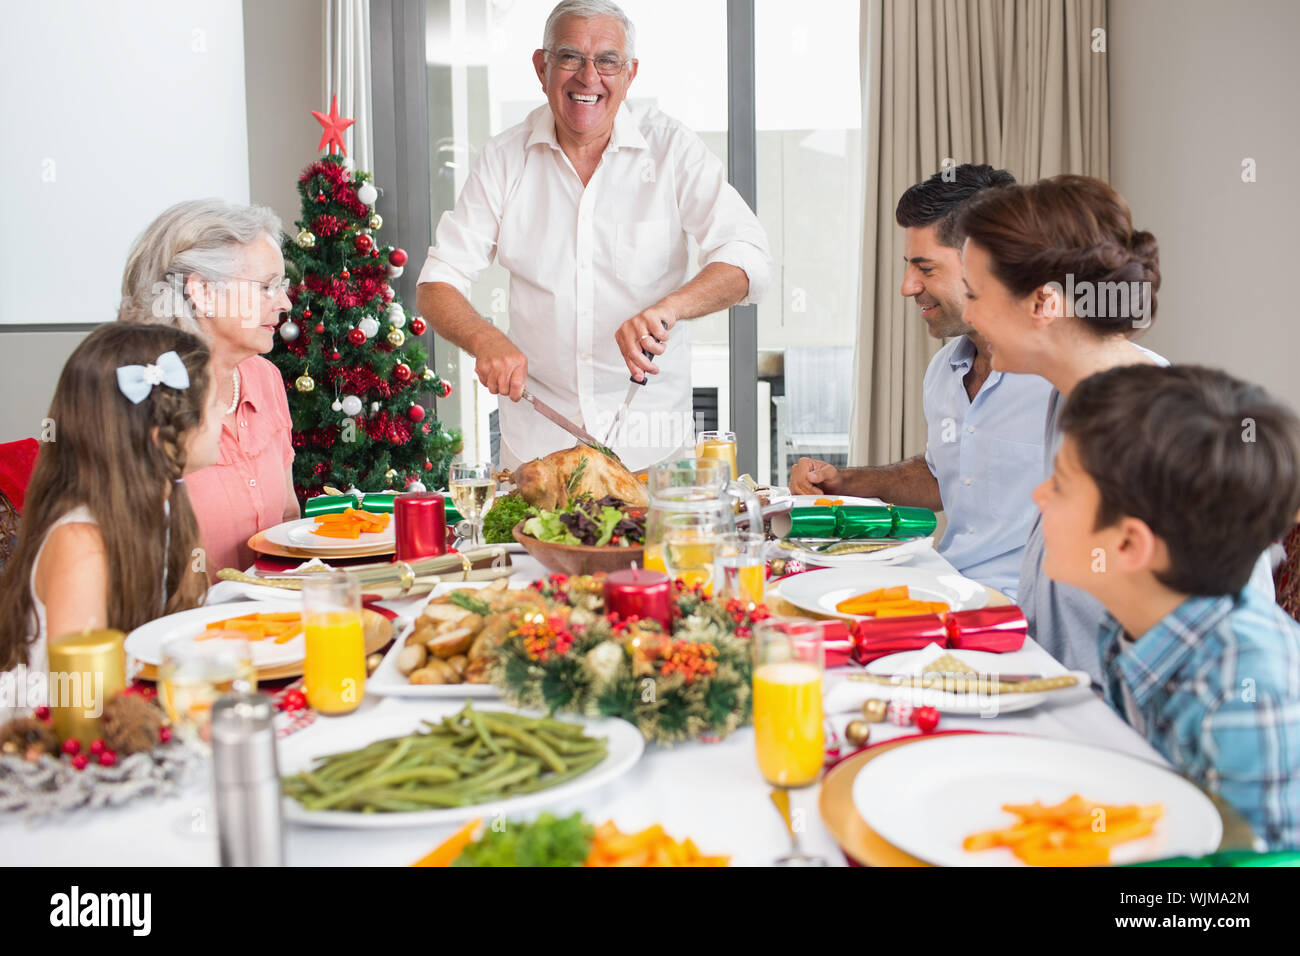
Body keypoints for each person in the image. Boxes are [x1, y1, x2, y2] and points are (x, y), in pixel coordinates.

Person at [416, 0, 771, 471]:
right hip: (539, 452)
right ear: (542, 67)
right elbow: (438, 281)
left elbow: (749, 259)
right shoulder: (504, 158)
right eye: (570, 57)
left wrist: (670, 309)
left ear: (630, 74)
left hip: (654, 453)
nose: (588, 77)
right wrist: (485, 338)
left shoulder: (672, 150)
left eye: (607, 61)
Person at [1039, 364, 1300, 849]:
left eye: (1061, 485)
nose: (1040, 496)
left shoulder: (1244, 693)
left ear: (1128, 545)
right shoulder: (1140, 617)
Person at [790, 165, 1052, 599]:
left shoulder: (1072, 378)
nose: (907, 286)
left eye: (925, 268)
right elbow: (944, 477)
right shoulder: (947, 368)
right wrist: (844, 482)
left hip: (1024, 614)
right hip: (947, 585)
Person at [0, 324, 221, 724]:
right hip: (59, 748)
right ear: (161, 437)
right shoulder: (81, 545)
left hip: (133, 719)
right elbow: (82, 708)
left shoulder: (169, 504)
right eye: (214, 402)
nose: (223, 412)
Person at [119, 199, 299, 574]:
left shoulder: (265, 378)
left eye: (281, 286)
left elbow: (287, 515)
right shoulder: (139, 397)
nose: (284, 303)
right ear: (201, 291)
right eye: (266, 287)